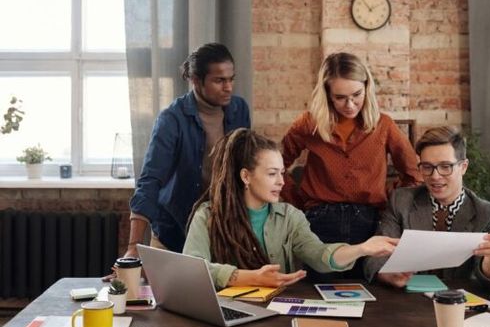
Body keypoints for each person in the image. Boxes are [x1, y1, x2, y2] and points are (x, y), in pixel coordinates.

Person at [183, 128, 398, 289]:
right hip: (225, 313)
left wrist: (361, 249)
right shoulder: (208, 216)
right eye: (271, 173)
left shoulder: (290, 217)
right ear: (246, 176)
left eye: (282, 172)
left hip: (277, 316)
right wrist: (250, 278)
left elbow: (320, 255)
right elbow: (192, 269)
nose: (281, 182)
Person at [280, 52, 422, 279]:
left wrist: (387, 197)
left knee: (371, 296)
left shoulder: (384, 126)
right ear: (327, 94)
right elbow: (277, 166)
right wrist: (299, 202)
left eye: (357, 94)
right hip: (319, 223)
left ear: (367, 87)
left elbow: (414, 174)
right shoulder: (308, 125)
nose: (350, 104)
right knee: (320, 294)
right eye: (340, 97)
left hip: (369, 224)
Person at [125, 43, 251, 258]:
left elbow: (245, 167)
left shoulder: (239, 110)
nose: (228, 87)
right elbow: (151, 180)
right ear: (195, 80)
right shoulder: (171, 119)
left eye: (231, 79)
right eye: (219, 80)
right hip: (175, 233)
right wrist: (134, 246)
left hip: (223, 233)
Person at [364, 126, 490, 288]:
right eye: (427, 167)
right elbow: (374, 258)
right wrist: (387, 274)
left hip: (461, 304)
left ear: (463, 167)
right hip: (408, 301)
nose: (435, 176)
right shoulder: (401, 201)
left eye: (445, 166)